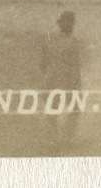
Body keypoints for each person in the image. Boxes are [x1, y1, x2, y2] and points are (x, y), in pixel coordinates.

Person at [40, 10, 86, 148]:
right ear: (71, 25)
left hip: (50, 80)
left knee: (51, 111)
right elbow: (75, 67)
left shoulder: (48, 40)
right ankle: (66, 139)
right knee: (75, 109)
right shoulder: (73, 43)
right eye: (71, 23)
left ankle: (53, 140)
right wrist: (77, 86)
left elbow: (42, 64)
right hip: (67, 81)